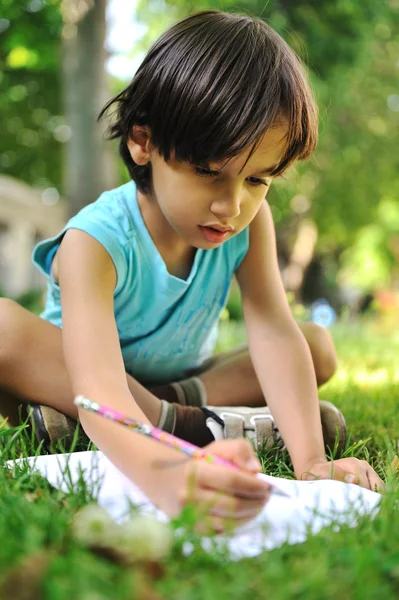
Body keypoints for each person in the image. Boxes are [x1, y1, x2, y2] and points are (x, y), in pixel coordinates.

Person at [0, 10, 384, 531]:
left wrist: (312, 463)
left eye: (258, 180)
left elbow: (272, 329)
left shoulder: (250, 225)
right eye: (209, 172)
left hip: (186, 385)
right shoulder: (94, 241)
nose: (231, 205)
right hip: (90, 378)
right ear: (143, 141)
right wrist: (166, 474)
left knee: (312, 345)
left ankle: (170, 418)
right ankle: (191, 430)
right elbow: (98, 387)